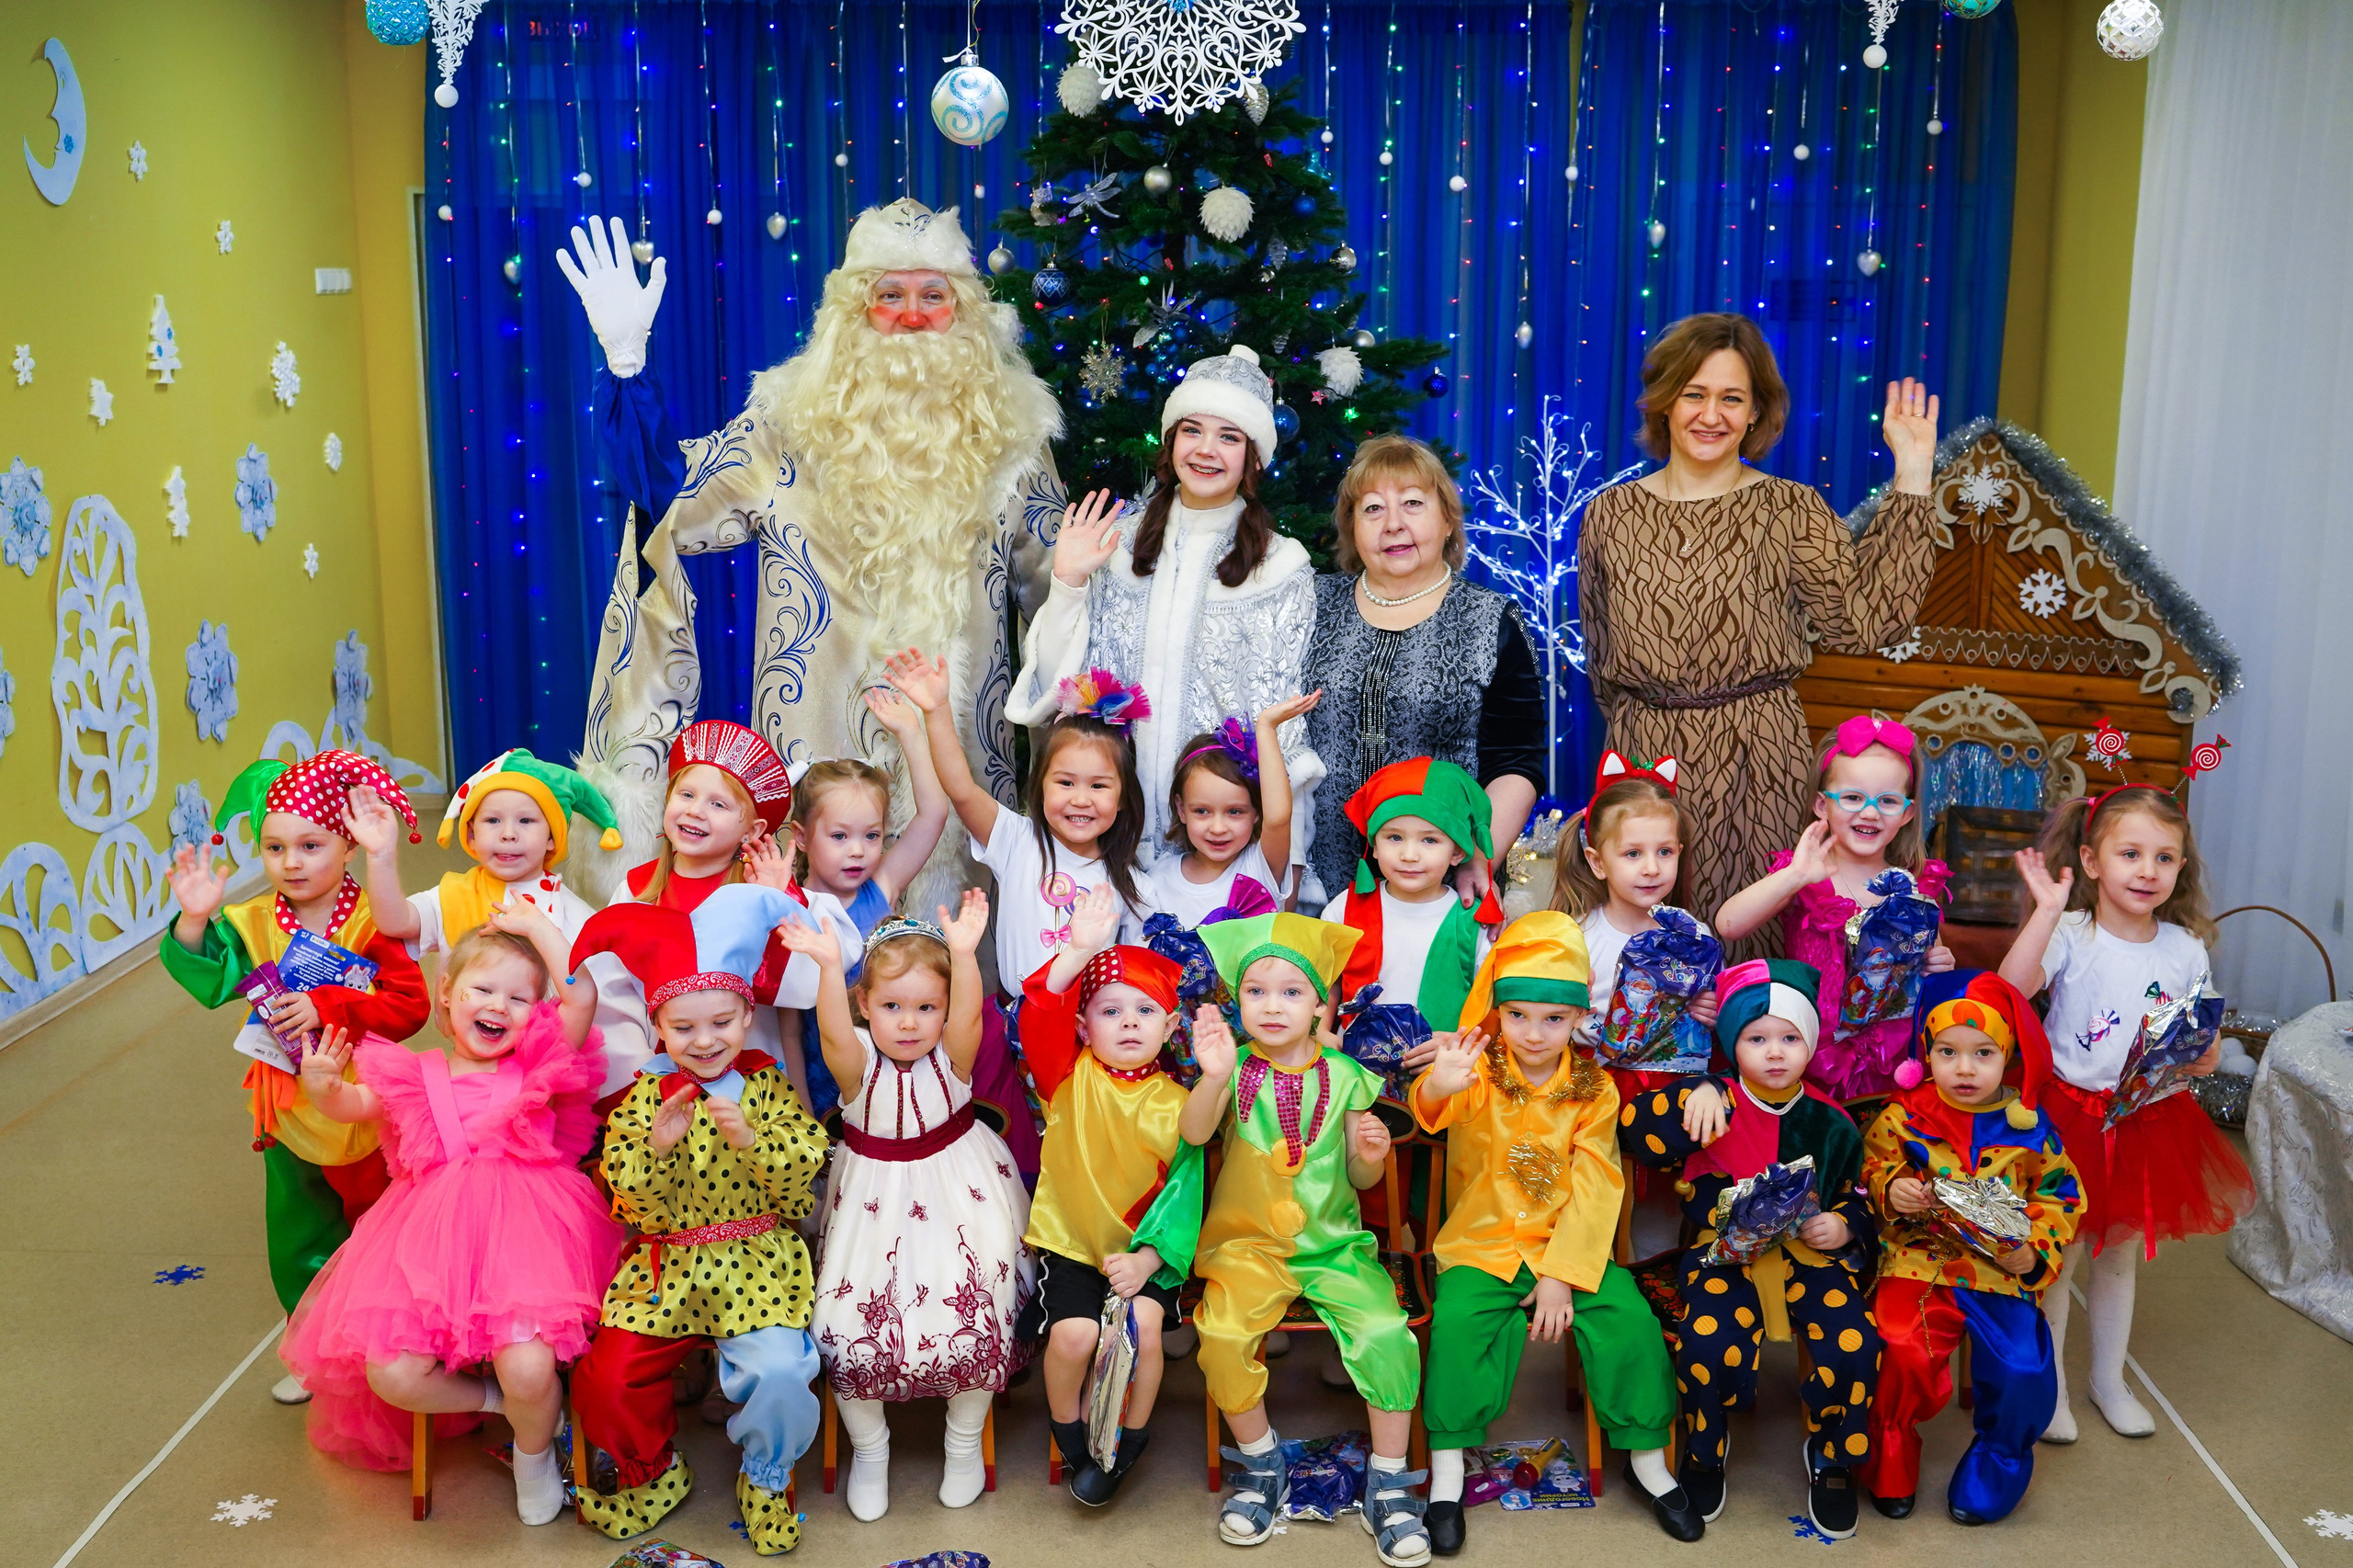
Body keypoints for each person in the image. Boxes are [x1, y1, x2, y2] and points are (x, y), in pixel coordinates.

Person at [560, 199, 1063, 915]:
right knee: (806, 960)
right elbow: (667, 497)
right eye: (890, 296)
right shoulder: (785, 424)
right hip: (818, 746)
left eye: (933, 296)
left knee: (956, 970)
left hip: (962, 763)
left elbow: (1059, 595)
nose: (912, 316)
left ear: (967, 312)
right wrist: (628, 369)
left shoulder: (1015, 433)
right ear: (853, 310)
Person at [1577, 314, 1944, 957]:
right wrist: (1647, 728)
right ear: (1664, 401)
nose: (1710, 413)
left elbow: (1865, 621)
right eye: (1694, 393)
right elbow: (1602, 654)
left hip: (1759, 755)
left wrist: (1912, 474)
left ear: (1755, 414)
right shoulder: (1610, 514)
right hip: (1645, 750)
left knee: (1758, 941)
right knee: (1644, 939)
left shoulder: (1791, 508)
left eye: (1731, 397)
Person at [277, 909, 623, 1523]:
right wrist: (323, 1084)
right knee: (393, 1372)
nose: (499, 1006)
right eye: (483, 990)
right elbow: (353, 1104)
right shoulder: (414, 1075)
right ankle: (495, 1402)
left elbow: (583, 994)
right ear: (448, 994)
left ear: (538, 1010)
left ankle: (534, 1451)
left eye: (520, 997)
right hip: (428, 1243)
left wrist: (538, 930)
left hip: (528, 1235)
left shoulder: (537, 1067)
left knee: (529, 1363)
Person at [1411, 911, 1697, 1552]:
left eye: (1553, 1018)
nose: (1533, 1033)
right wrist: (1437, 1084)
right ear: (1499, 1013)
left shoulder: (1594, 1092)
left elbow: (1597, 1189)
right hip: (1481, 1248)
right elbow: (1432, 1114)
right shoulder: (1477, 1068)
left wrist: (1561, 1278)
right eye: (1518, 1016)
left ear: (1578, 1020)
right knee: (1457, 1328)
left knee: (1630, 1321)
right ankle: (1448, 1472)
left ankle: (1650, 1463)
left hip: (1571, 1250)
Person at [567, 885, 838, 1553]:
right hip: (668, 1266)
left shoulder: (767, 1085)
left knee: (780, 1370)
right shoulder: (643, 1099)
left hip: (755, 1262)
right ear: (659, 1027)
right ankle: (655, 1472)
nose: (704, 1040)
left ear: (747, 1014)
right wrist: (656, 1150)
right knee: (607, 1374)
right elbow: (631, 1204)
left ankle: (766, 1477)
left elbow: (806, 1173)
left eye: (720, 1022)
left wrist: (753, 1142)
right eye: (683, 1028)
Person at [160, 752, 432, 1405]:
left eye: (311, 844)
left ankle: (390, 1346)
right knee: (298, 1235)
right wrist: (196, 920)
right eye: (276, 847)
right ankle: (311, 1351)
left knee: (380, 1226)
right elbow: (210, 973)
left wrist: (330, 1005)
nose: (292, 861)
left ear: (346, 843)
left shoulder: (375, 919)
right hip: (285, 1108)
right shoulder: (252, 922)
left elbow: (409, 1003)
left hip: (365, 1107)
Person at [1997, 785, 2250, 1442]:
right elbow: (2010, 987)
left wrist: (2204, 1054)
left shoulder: (2185, 947)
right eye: (2131, 853)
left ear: (2180, 870)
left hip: (2148, 1120)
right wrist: (2045, 914)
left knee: (2119, 1256)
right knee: (2061, 1256)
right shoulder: (2073, 933)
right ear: (2090, 860)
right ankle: (2050, 1388)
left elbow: (2203, 1032)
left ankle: (2108, 1379)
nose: (2147, 870)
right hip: (2071, 1117)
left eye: (2165, 858)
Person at [1009, 346, 1323, 871]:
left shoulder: (1281, 566)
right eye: (1192, 430)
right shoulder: (1117, 544)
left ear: (1253, 457)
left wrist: (1281, 867)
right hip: (1109, 837)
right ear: (1171, 439)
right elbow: (1063, 689)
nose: (1206, 450)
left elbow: (1282, 725)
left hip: (1220, 845)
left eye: (1229, 437)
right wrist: (1067, 581)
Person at [777, 892, 1033, 1521]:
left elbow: (972, 1015)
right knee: (841, 1327)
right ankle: (870, 1448)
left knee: (976, 1308)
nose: (911, 1022)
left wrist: (967, 957)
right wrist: (829, 969)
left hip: (960, 1195)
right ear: (866, 1007)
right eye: (892, 1007)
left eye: (926, 1008)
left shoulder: (955, 1060)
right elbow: (832, 1028)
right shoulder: (857, 1066)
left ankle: (964, 1438)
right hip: (872, 1205)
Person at [1185, 913, 1430, 1567]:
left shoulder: (1349, 1077)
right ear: (1237, 1003)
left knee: (1386, 1333)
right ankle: (1263, 1465)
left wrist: (1373, 1153)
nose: (1272, 1006)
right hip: (1246, 1248)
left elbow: (1358, 1175)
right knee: (1225, 1336)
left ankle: (1388, 1480)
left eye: (1291, 992)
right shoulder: (1231, 1069)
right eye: (1256, 991)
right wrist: (1210, 1076)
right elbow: (1191, 1136)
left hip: (1333, 1246)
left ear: (1323, 1004)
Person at [1619, 959, 1882, 1541]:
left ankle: (1833, 1453)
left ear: (1810, 1043)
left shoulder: (1833, 1122)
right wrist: (1700, 1088)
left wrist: (1843, 1226)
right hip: (1725, 1257)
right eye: (1756, 1038)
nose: (1775, 1052)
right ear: (1732, 1045)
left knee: (1854, 1341)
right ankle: (1705, 1447)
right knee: (1705, 1340)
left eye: (1790, 1038)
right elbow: (1631, 1130)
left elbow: (1859, 1197)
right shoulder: (1713, 1103)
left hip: (1809, 1259)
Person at [887, 648, 1154, 1175]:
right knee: (1010, 1152)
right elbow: (961, 790)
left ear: (1123, 799)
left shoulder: (1135, 888)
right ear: (1040, 785)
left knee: (1077, 1154)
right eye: (1065, 782)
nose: (1081, 798)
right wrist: (937, 709)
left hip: (1085, 1041)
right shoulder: (1019, 842)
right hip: (1010, 1030)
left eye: (1099, 785)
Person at [1859, 971, 2083, 1526]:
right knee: (1899, 1346)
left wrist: (2035, 1253)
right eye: (1947, 1052)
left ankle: (1993, 1469)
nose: (1964, 1068)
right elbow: (1868, 1171)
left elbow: (2062, 1196)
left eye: (1983, 1053)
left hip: (1999, 1272)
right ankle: (1890, 1461)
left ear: (2006, 1054)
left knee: (2023, 1369)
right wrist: (1892, 1188)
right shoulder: (1903, 1115)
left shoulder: (2030, 1128)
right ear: (1926, 1054)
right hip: (1921, 1259)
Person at [1017, 885, 1216, 1504]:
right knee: (1074, 1337)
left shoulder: (1177, 1102)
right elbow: (1039, 1008)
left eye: (1145, 1010)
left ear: (1171, 1024)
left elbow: (1186, 1194)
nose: (1129, 1021)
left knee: (1143, 1329)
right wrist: (1078, 951)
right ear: (1084, 1025)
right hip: (1075, 1244)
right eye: (1110, 1010)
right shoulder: (1066, 1076)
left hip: (1145, 1252)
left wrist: (1150, 1262)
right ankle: (1070, 1432)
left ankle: (1130, 1440)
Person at [1302, 435, 1542, 912]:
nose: (1393, 524)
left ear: (1448, 518)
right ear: (1352, 526)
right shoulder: (1311, 605)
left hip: (1439, 888)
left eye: (1413, 503)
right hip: (1314, 885)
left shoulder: (1491, 618)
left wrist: (1479, 856)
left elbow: (1518, 760)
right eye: (1372, 509)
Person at [581, 718, 857, 1108]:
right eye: (686, 794)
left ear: (752, 829)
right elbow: (614, 994)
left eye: (718, 804)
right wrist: (643, 1074)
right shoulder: (638, 890)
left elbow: (819, 971)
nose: (696, 812)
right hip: (661, 1076)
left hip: (755, 1078)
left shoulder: (757, 889)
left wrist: (783, 901)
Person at [1716, 714, 1956, 1101]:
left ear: (1907, 814)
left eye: (1888, 801)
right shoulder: (1806, 877)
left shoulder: (1915, 888)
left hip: (1891, 1056)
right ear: (1821, 805)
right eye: (1852, 797)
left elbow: (1930, 959)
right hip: (1807, 1055)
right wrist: (1794, 875)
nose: (1870, 812)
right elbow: (1729, 924)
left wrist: (1939, 962)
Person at [767, 680, 951, 1114]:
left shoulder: (882, 884)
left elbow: (934, 814)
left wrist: (910, 733)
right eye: (839, 836)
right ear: (802, 837)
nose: (857, 850)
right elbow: (788, 1029)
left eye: (871, 835)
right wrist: (802, 1110)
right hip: (822, 1082)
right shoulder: (787, 907)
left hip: (896, 1082)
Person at [1322, 756, 1499, 1104]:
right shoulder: (1346, 907)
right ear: (1374, 844)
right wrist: (1320, 1031)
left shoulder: (1471, 920)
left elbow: (1490, 1008)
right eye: (1394, 837)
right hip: (1351, 1075)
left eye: (1430, 840)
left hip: (1436, 1081)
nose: (1409, 854)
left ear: (1457, 851)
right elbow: (1326, 984)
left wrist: (1456, 1041)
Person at [353, 747, 621, 957]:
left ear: (552, 837)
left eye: (526, 821)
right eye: (493, 820)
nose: (508, 834)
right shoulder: (452, 895)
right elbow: (395, 923)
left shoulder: (574, 914)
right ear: (471, 834)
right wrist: (380, 856)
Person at [1145, 697, 1320, 926]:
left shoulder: (1259, 866)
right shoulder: (1159, 877)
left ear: (1258, 811)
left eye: (1235, 812)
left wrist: (1266, 728)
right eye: (1202, 811)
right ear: (1181, 809)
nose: (1218, 828)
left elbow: (1278, 819)